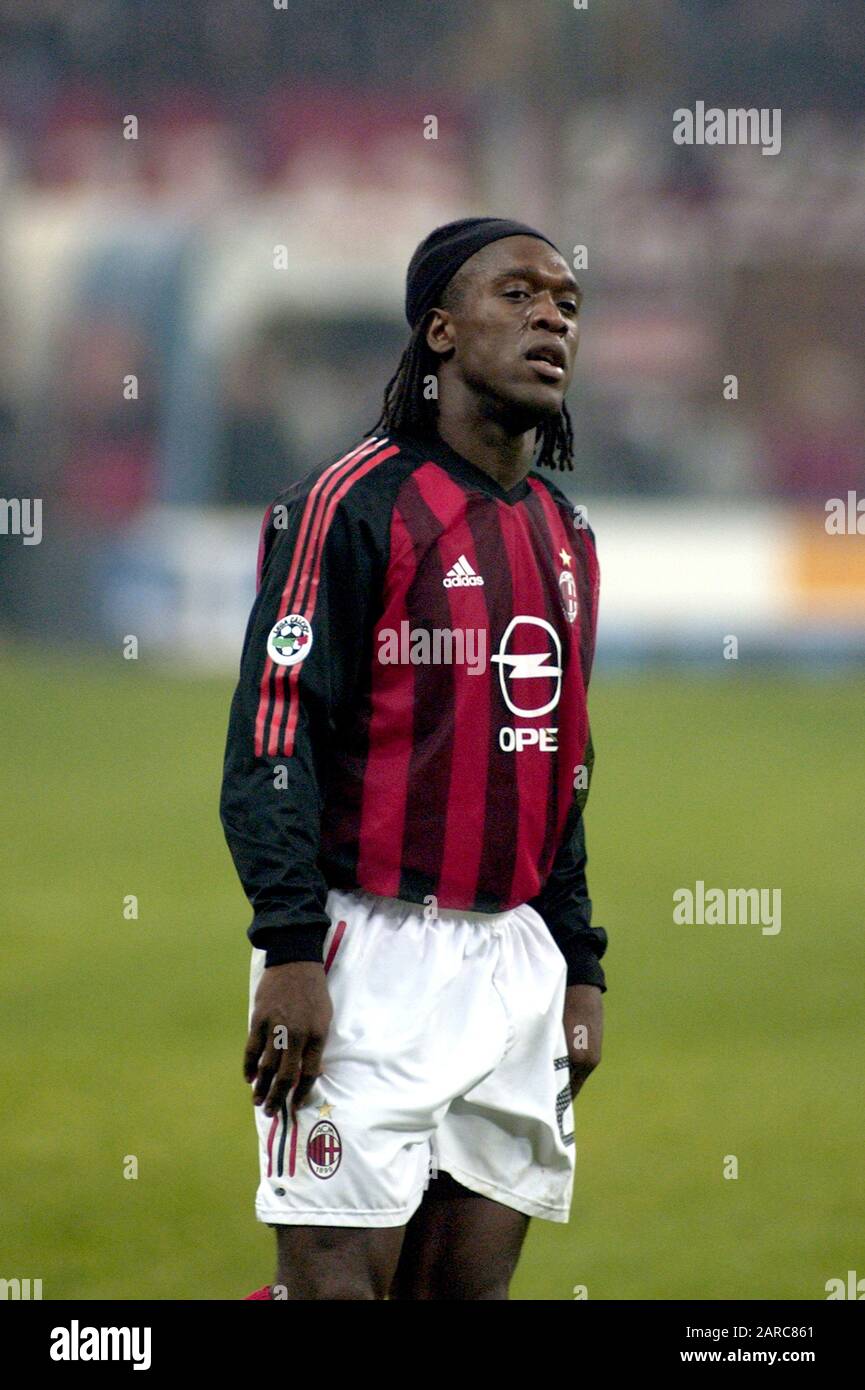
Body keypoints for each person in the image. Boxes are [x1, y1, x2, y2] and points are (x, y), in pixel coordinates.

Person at [220, 217, 609, 1300]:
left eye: (566, 303)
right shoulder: (351, 503)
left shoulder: (563, 532)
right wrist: (292, 947)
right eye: (519, 295)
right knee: (334, 1287)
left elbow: (560, 764)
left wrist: (578, 959)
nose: (550, 317)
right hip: (365, 955)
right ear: (439, 330)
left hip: (515, 966)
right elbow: (273, 735)